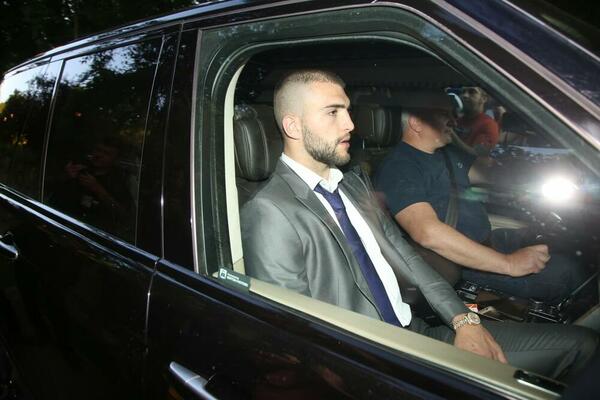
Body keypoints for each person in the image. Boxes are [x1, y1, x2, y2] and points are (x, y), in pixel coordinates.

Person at [241, 69, 597, 381]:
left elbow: (408, 258)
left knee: (583, 345)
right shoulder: (271, 211)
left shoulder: (351, 184)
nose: (350, 124)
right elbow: (293, 333)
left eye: (347, 110)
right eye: (333, 112)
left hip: (418, 331)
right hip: (373, 357)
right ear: (293, 126)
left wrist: (463, 320)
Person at [374, 90, 589, 303]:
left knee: (564, 242)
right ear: (416, 123)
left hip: (490, 241)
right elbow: (427, 232)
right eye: (443, 114)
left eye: (452, 114)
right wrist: (509, 263)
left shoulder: (446, 154)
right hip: (462, 262)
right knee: (568, 273)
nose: (453, 120)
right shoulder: (400, 168)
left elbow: (493, 173)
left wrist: (553, 167)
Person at [48, 136, 133, 236]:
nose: (99, 155)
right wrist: (65, 176)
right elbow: (47, 189)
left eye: (106, 153)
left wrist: (98, 190)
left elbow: (124, 215)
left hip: (94, 235)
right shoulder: (78, 168)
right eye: (98, 150)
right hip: (59, 226)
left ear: (115, 159)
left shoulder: (118, 182)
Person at [454, 86, 500, 156]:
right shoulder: (457, 120)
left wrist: (452, 136)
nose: (464, 95)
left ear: (484, 99)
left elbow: (479, 155)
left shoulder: (489, 125)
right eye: (463, 92)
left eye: (472, 92)